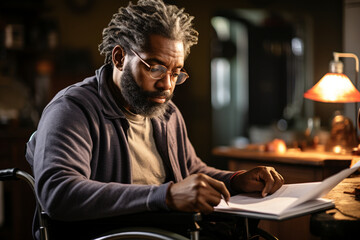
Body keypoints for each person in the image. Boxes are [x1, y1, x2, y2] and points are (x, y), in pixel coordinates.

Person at [26, 0, 284, 239]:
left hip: (168, 230)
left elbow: (192, 171)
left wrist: (236, 179)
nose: (167, 85)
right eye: (156, 68)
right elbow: (58, 193)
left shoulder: (165, 112)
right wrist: (166, 195)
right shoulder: (72, 110)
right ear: (119, 58)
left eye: (176, 73)